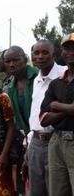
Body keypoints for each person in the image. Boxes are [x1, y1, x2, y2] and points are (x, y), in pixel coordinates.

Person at [24, 40, 67, 196]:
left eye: (45, 53)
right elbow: (35, 116)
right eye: (36, 53)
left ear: (54, 55)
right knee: (36, 191)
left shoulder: (65, 74)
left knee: (56, 191)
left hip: (56, 141)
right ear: (32, 57)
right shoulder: (36, 79)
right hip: (35, 143)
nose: (40, 56)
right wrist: (29, 145)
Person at [40, 33, 74, 196]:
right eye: (67, 48)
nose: (71, 52)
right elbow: (44, 119)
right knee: (57, 191)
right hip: (57, 140)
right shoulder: (56, 83)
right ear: (63, 52)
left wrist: (56, 105)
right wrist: (67, 110)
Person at [4, 45, 38, 194]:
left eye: (15, 60)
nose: (12, 64)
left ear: (25, 60)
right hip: (25, 140)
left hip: (44, 138)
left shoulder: (38, 76)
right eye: (8, 61)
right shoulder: (10, 86)